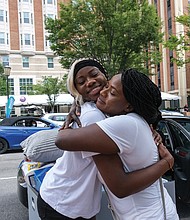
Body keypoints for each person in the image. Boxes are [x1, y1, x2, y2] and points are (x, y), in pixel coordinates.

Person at [55, 68, 179, 219]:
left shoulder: (125, 124)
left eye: (112, 93)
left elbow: (61, 140)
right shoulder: (135, 122)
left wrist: (167, 162)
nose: (102, 92)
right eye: (106, 86)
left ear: (128, 106)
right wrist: (76, 104)